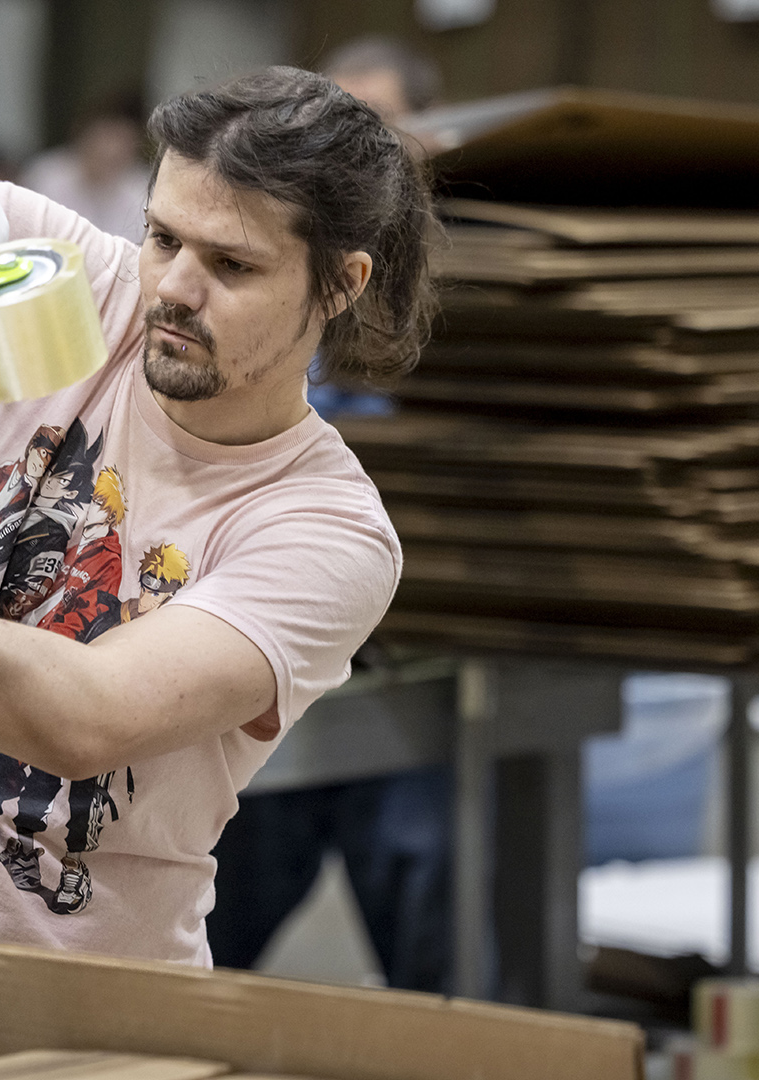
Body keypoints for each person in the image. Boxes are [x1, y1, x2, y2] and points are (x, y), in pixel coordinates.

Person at [0, 66, 435, 964]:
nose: (176, 290)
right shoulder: (86, 298)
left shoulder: (326, 528)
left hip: (63, 1020)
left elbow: (86, 716)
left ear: (341, 283)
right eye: (163, 237)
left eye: (232, 264)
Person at [204, 38, 454, 992]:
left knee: (429, 937)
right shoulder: (259, 288)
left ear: (426, 142)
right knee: (209, 934)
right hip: (266, 662)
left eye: (379, 131)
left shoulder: (474, 303)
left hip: (410, 669)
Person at [19, 91, 151, 246]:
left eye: (121, 145)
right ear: (83, 136)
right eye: (104, 139)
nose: (110, 151)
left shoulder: (143, 190)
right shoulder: (46, 176)